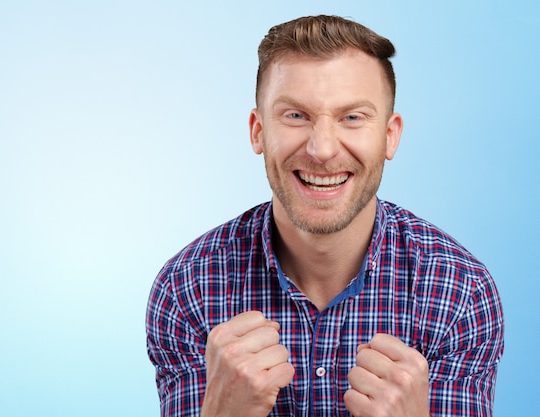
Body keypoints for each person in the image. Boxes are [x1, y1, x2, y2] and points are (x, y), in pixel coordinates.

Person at [146, 15, 504, 417]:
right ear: (258, 130)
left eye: (352, 117)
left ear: (390, 136)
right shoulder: (186, 289)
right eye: (296, 115)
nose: (322, 149)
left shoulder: (459, 292)